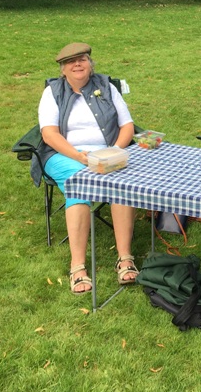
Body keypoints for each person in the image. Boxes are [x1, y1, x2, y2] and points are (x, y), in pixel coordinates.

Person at [34, 42, 137, 294]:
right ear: (63, 69)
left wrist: (114, 152)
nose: (77, 64)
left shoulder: (107, 86)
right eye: (71, 61)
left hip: (106, 151)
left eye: (82, 59)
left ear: (90, 64)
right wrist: (79, 157)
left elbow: (127, 126)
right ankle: (77, 267)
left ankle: (125, 258)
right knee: (79, 183)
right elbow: (49, 134)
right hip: (64, 154)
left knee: (121, 184)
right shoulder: (52, 92)